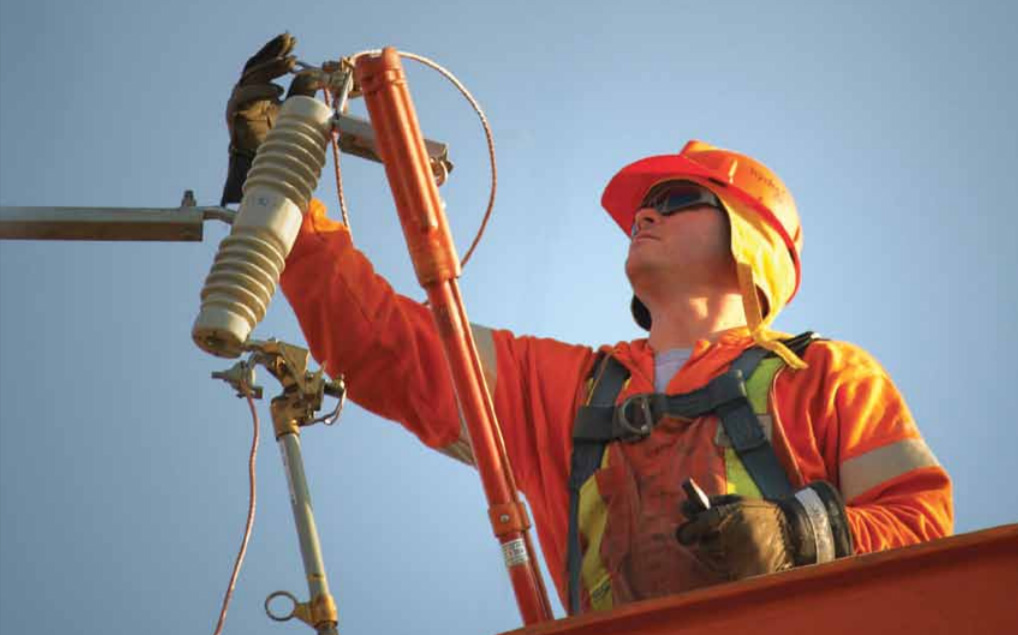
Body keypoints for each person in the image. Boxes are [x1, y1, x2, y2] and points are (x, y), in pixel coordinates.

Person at [221, 35, 953, 615]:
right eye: (647, 203)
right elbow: (382, 343)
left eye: (675, 197)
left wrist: (794, 535)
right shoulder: (571, 391)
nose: (645, 212)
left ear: (749, 241)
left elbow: (923, 530)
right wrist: (279, 196)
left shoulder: (825, 376)